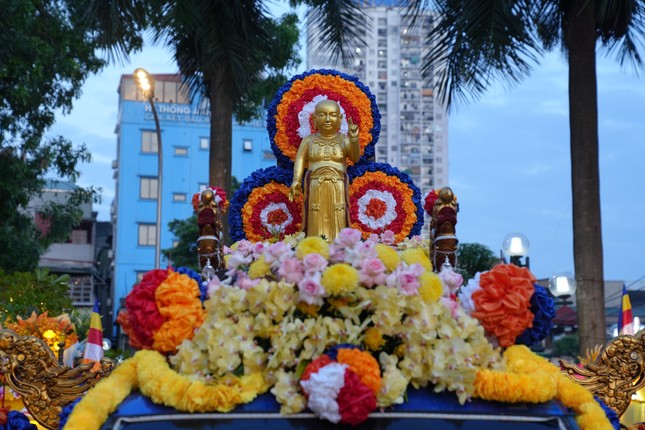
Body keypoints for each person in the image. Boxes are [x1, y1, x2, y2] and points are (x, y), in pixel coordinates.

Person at [289, 100, 360, 242]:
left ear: (339, 119)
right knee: (315, 213)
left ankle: (339, 242)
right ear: (314, 119)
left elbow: (355, 157)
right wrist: (296, 180)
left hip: (338, 185)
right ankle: (315, 242)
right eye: (322, 115)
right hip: (315, 185)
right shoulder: (309, 140)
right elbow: (299, 160)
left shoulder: (344, 140)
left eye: (332, 115)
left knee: (338, 212)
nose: (327, 119)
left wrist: (353, 139)